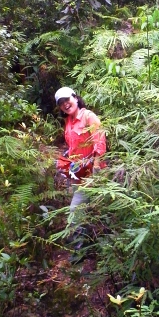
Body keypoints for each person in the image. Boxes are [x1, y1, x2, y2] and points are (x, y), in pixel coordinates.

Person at [55, 86, 106, 218]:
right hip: (78, 172)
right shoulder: (68, 122)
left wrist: (96, 168)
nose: (65, 104)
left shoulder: (88, 116)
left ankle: (75, 236)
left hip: (92, 172)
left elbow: (99, 142)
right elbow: (73, 147)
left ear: (76, 98)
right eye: (61, 103)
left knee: (75, 210)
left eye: (67, 99)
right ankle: (88, 235)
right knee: (90, 209)